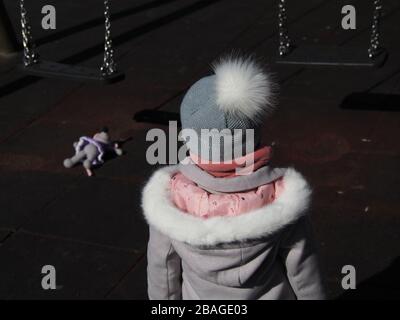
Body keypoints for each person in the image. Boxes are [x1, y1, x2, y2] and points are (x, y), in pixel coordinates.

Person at [142, 56, 326, 300]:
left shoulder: (172, 196)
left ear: (189, 137)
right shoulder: (280, 197)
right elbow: (303, 268)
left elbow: (162, 269)